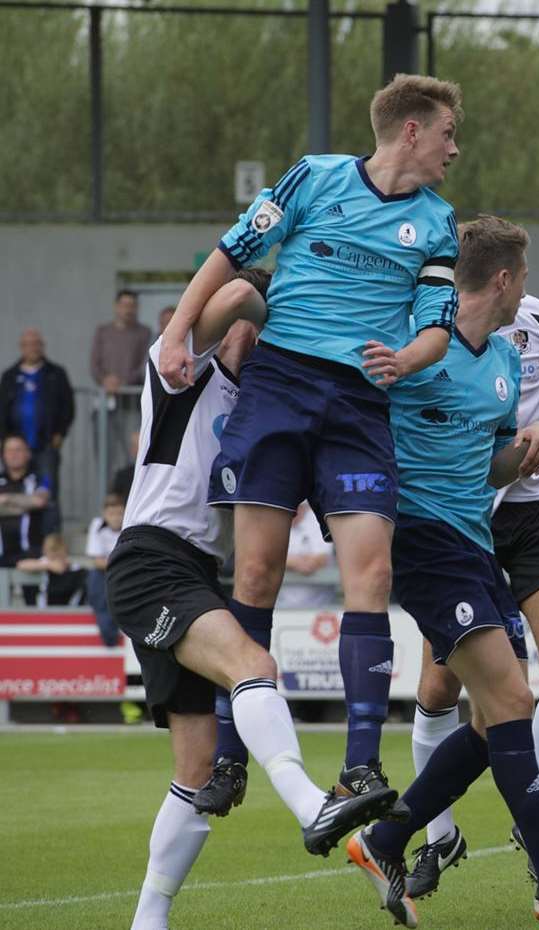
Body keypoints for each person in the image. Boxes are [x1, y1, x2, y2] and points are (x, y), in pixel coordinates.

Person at [170, 74, 463, 810]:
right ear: (411, 131)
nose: (455, 149)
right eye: (449, 133)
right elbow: (231, 252)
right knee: (256, 576)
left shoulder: (438, 221)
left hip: (360, 407)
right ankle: (231, 760)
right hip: (279, 388)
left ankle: (360, 765)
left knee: (371, 578)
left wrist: (410, 357)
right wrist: (178, 330)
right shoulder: (314, 176)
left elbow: (437, 321)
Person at [344, 216, 539, 930]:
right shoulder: (412, 345)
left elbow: (489, 465)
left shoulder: (505, 368)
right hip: (419, 540)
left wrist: (527, 454)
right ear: (503, 281)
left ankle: (384, 841)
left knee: (492, 716)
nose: (527, 292)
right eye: (526, 279)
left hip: (473, 543)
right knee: (511, 703)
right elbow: (351, 419)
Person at [108, 273, 401, 930]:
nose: (264, 341)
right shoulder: (181, 367)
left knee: (195, 770)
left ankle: (146, 921)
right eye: (266, 331)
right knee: (255, 667)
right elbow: (238, 293)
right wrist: (289, 306)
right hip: (150, 559)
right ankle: (309, 807)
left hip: (195, 573)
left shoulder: (263, 408)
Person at [0, 328, 74, 520]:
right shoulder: (9, 376)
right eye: (28, 344)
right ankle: (16, 537)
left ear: (42, 347)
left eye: (36, 344)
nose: (33, 348)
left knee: (48, 490)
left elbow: (68, 407)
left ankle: (51, 540)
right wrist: (4, 439)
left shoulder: (56, 374)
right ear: (21, 347)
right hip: (15, 446)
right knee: (14, 491)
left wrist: (60, 433)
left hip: (45, 445)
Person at [91, 289, 152, 475]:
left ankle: (128, 497)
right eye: (124, 305)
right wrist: (105, 380)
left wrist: (122, 384)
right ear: (116, 307)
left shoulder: (144, 333)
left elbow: (144, 364)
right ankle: (107, 498)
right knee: (104, 454)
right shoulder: (103, 331)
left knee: (132, 451)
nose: (128, 309)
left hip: (131, 403)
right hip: (105, 403)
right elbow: (94, 363)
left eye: (132, 305)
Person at [275, 502, 337, 610]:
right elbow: (265, 556)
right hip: (279, 605)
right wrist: (294, 562)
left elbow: (320, 559)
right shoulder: (273, 519)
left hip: (321, 606)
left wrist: (285, 561)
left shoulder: (317, 519)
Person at [0, 433, 50, 567]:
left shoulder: (40, 478)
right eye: (9, 450)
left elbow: (40, 501)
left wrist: (6, 499)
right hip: (2, 555)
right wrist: (25, 505)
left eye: (18, 450)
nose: (13, 454)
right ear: (3, 455)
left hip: (31, 554)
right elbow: (33, 503)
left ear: (28, 453)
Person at [85, 492, 126, 645]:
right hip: (106, 573)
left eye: (119, 513)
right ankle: (109, 634)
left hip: (126, 574)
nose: (115, 517)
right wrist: (119, 563)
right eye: (111, 513)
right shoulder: (97, 525)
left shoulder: (132, 525)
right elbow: (97, 562)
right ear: (104, 514)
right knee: (96, 580)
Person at [17, 533, 86, 607]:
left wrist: (64, 567)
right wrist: (49, 566)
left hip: (68, 606)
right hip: (44, 606)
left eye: (59, 554)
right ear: (45, 551)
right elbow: (21, 565)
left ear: (65, 551)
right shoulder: (44, 561)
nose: (56, 557)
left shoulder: (73, 566)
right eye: (53, 554)